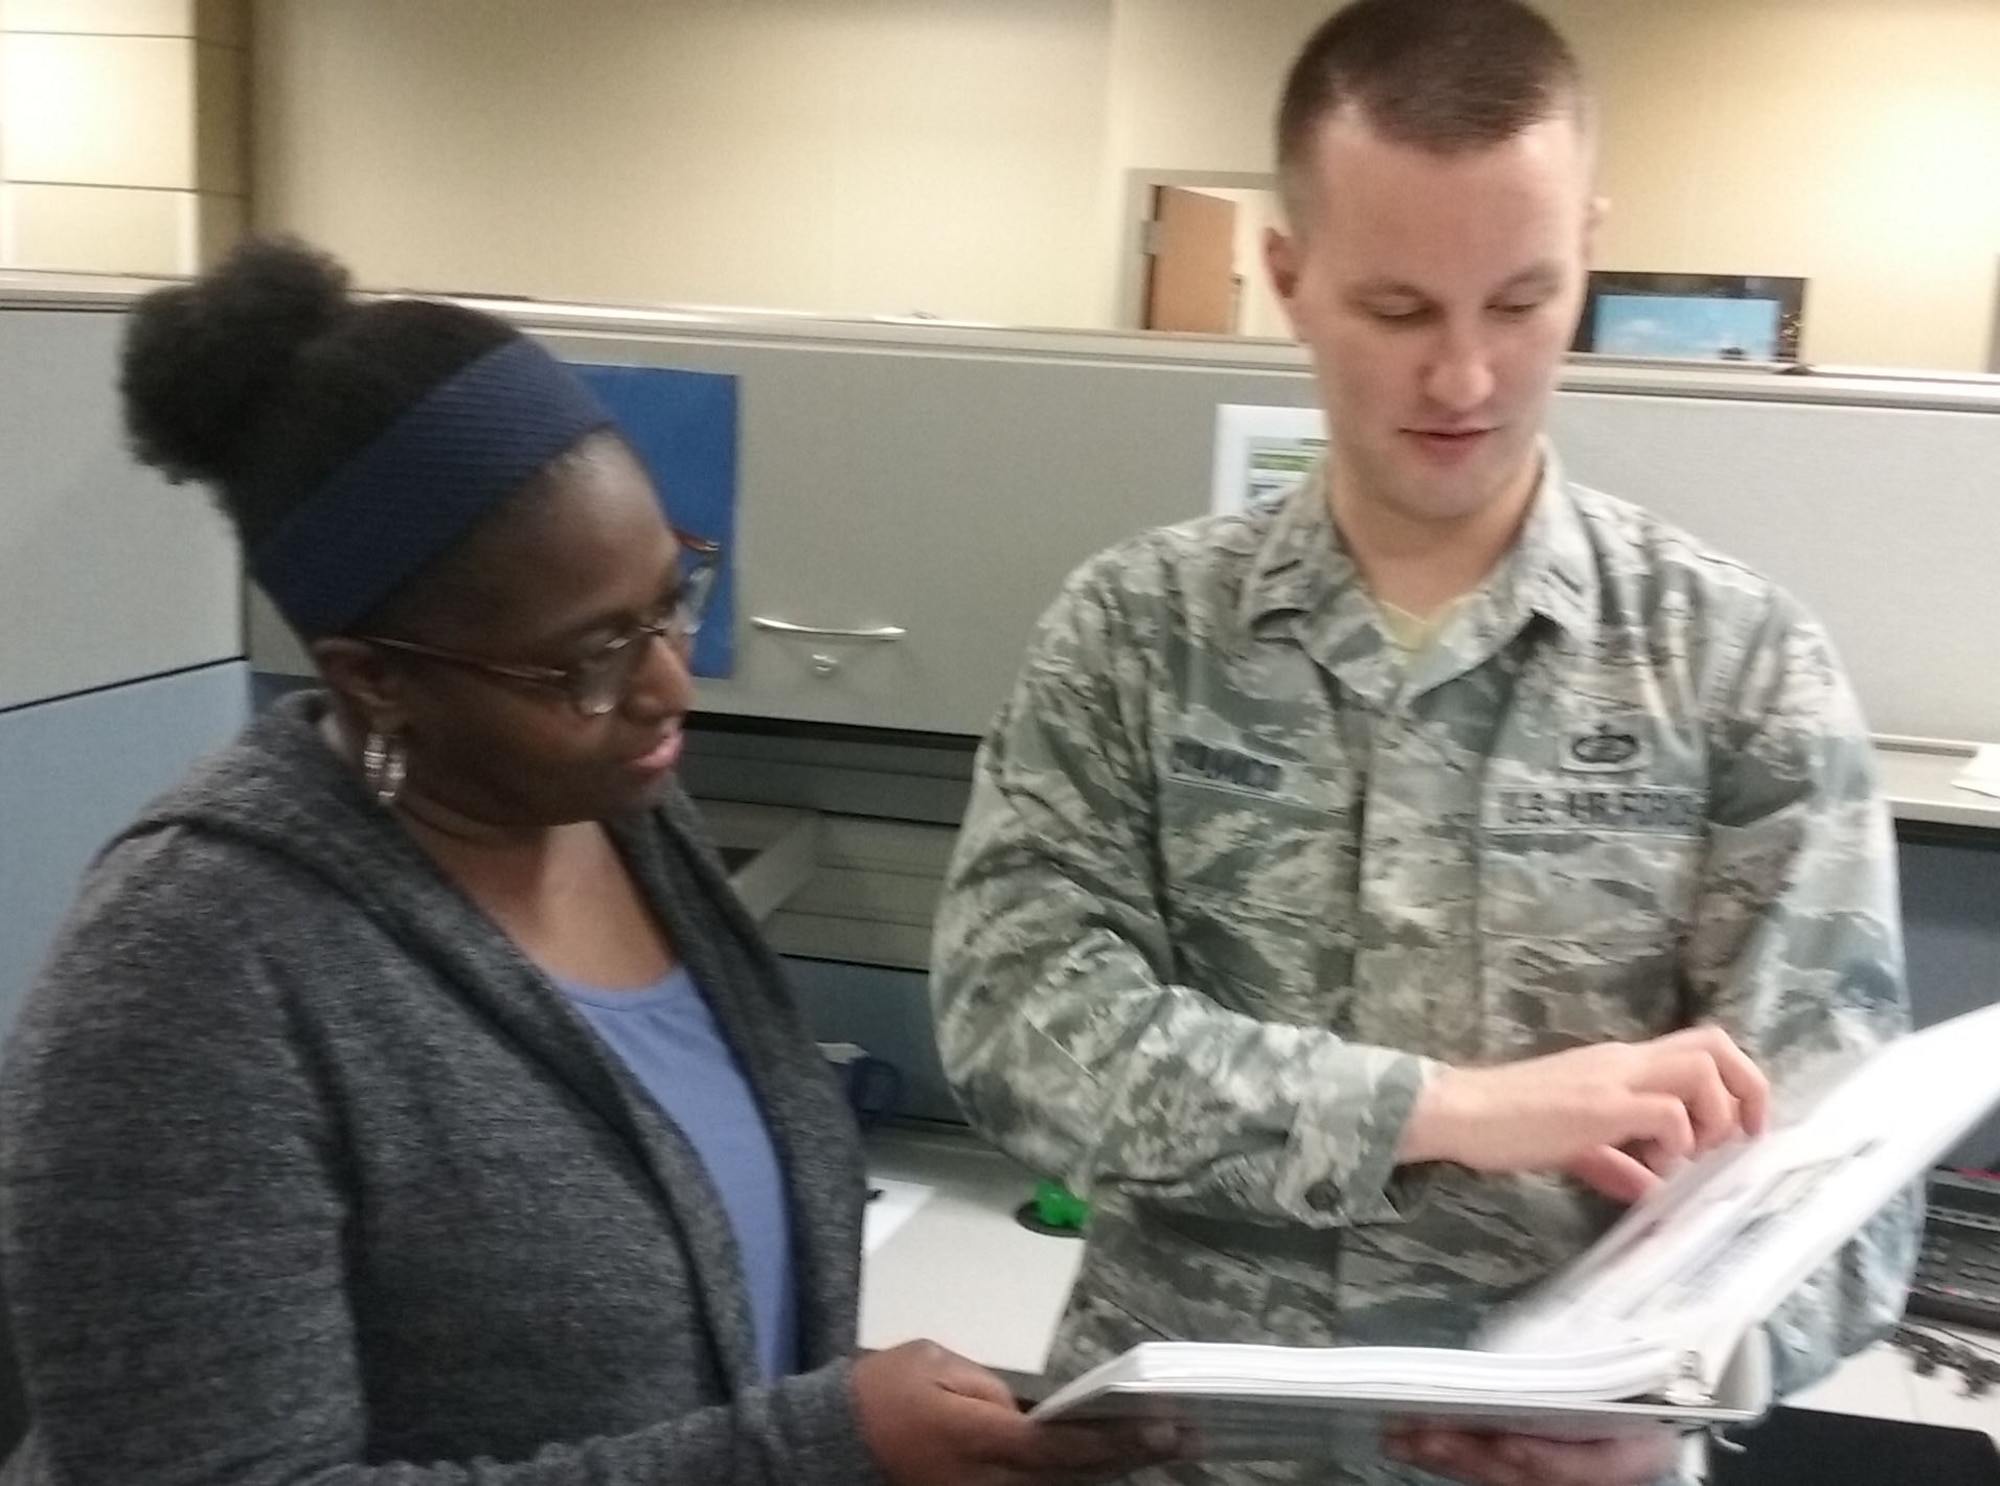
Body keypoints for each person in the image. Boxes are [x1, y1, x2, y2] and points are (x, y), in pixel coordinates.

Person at [0, 237, 1182, 1486]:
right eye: (590, 655)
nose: (667, 684)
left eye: (671, 600)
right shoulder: (191, 974)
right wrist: (813, 1447)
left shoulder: (615, 814)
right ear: (375, 679)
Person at [930, 2, 1916, 1483]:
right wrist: (1449, 1111)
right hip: (1185, 1459)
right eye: (1399, 311)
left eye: (1521, 302)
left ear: (1585, 250)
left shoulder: (1737, 667)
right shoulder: (1138, 632)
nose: (1463, 378)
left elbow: (1845, 1178)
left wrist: (1685, 1403)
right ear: (1288, 276)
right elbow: (1018, 1022)